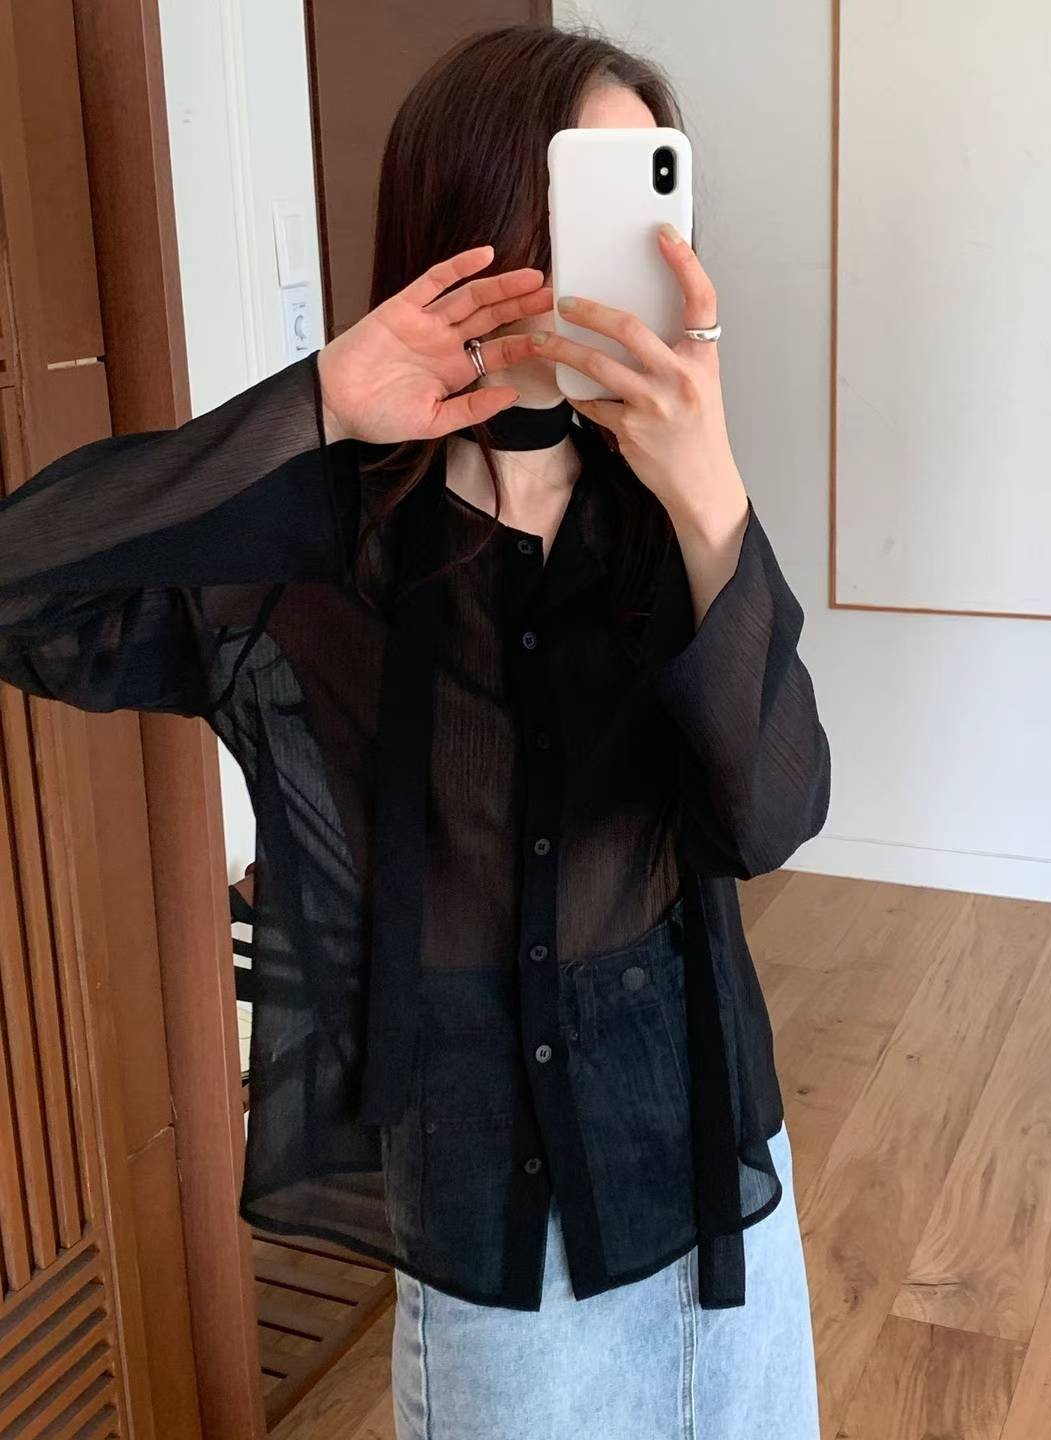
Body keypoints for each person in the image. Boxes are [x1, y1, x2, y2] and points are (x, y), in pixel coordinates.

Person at [0, 22, 829, 1440]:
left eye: (653, 204)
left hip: (704, 1162)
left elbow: (773, 818)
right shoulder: (326, 546)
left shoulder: (669, 522)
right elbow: (26, 582)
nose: (630, 259)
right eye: (585, 205)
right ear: (475, 222)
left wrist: (712, 499)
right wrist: (319, 402)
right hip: (490, 1211)